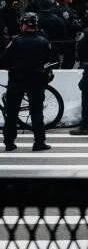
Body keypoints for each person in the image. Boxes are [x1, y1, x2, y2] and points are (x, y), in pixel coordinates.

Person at [2, 13, 52, 151]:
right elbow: (48, 59)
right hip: (36, 80)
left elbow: (5, 59)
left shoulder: (15, 40)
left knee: (12, 112)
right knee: (36, 111)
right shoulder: (43, 41)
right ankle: (39, 142)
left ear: (23, 25)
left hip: (17, 80)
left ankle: (9, 142)